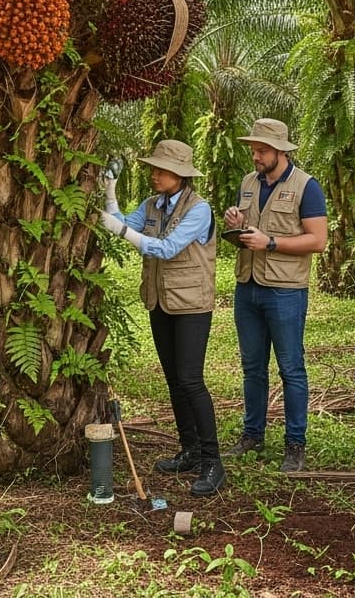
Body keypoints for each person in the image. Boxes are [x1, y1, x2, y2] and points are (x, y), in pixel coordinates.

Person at [99, 140, 225, 496]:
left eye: (160, 170)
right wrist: (110, 191)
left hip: (191, 305)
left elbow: (167, 248)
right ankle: (190, 450)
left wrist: (120, 229)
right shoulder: (152, 204)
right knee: (173, 379)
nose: (153, 175)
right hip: (160, 302)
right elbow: (125, 222)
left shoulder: (199, 210)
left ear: (180, 175)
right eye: (152, 169)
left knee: (190, 379)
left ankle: (213, 462)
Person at [221, 118, 327, 472]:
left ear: (280, 151)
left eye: (262, 150)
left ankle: (295, 444)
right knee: (252, 368)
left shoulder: (306, 187)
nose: (255, 156)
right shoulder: (248, 183)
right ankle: (252, 434)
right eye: (253, 149)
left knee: (291, 369)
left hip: (285, 291)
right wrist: (235, 222)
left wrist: (272, 242)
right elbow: (245, 227)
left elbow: (317, 240)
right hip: (247, 285)